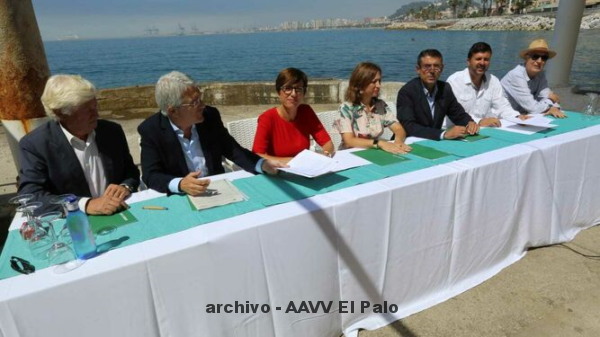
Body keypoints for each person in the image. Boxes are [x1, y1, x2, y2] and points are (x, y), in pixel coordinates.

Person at [138, 71, 282, 196]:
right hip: (181, 196)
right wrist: (180, 184)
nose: (202, 106)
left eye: (200, 98)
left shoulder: (210, 117)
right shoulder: (151, 130)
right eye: (194, 102)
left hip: (218, 188)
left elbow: (232, 149)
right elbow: (151, 175)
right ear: (172, 111)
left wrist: (261, 164)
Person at [18, 74, 140, 215]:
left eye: (95, 106)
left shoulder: (112, 131)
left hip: (120, 213)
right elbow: (31, 196)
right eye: (87, 110)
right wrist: (85, 204)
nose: (96, 114)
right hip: (73, 223)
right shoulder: (35, 145)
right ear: (61, 113)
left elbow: (130, 171)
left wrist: (125, 186)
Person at [252, 68, 333, 163]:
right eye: (287, 88)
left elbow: (328, 143)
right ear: (279, 92)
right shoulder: (267, 118)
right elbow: (257, 155)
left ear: (304, 93)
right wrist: (293, 161)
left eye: (298, 89)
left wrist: (324, 156)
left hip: (305, 170)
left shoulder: (306, 112)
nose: (293, 94)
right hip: (278, 172)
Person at [397, 49, 479, 141]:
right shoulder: (407, 92)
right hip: (409, 141)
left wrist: (469, 123)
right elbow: (408, 126)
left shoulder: (445, 88)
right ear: (418, 69)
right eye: (427, 66)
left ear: (442, 68)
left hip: (434, 141)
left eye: (436, 66)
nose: (432, 71)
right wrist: (443, 134)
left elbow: (458, 114)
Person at [333, 62, 411, 153]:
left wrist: (398, 142)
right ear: (360, 85)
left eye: (379, 81)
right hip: (352, 154)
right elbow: (349, 141)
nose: (378, 85)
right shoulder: (346, 108)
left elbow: (399, 129)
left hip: (375, 152)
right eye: (374, 82)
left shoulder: (380, 106)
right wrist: (380, 143)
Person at [447, 42, 526, 127]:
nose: (482, 63)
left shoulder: (494, 81)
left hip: (484, 130)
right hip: (457, 130)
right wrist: (479, 121)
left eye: (486, 59)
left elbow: (502, 107)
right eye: (478, 59)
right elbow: (454, 114)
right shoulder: (454, 81)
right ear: (468, 62)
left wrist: (516, 117)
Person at [501, 38, 566, 118]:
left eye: (544, 58)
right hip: (502, 119)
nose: (539, 61)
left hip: (522, 117)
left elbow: (547, 95)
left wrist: (554, 107)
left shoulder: (540, 74)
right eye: (535, 56)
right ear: (526, 58)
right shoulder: (516, 75)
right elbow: (533, 108)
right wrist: (551, 101)